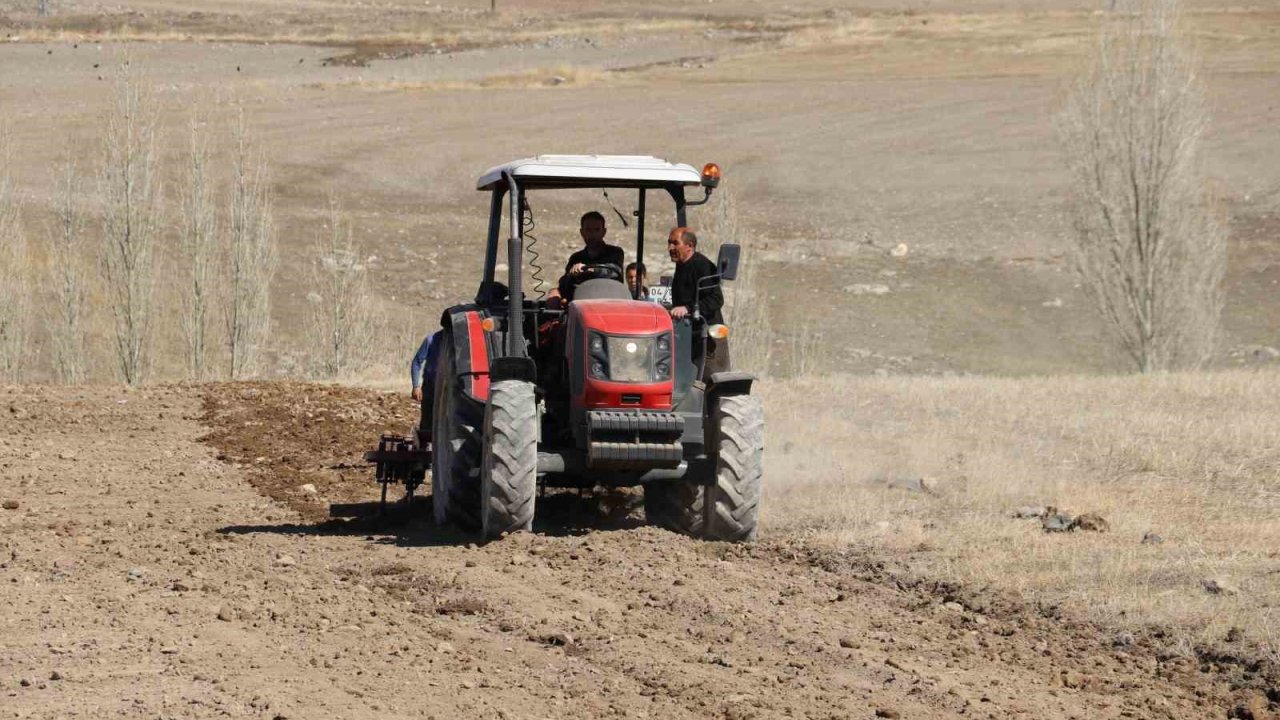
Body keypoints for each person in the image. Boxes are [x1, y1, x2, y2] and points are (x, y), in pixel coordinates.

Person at [667, 227, 728, 375]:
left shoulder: (702, 266)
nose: (670, 248)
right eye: (669, 243)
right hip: (688, 337)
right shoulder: (681, 266)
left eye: (675, 243)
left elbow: (716, 299)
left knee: (707, 383)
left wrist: (687, 309)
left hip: (708, 339)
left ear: (690, 246)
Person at [557, 211, 624, 302]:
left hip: (609, 301)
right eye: (588, 230)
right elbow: (564, 283)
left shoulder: (615, 253)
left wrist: (591, 269)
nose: (592, 235)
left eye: (596, 230)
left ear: (603, 232)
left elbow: (614, 271)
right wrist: (573, 275)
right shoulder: (576, 258)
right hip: (583, 301)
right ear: (582, 232)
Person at [410, 330, 443, 443]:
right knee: (427, 422)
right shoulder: (431, 340)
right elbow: (416, 362)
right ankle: (425, 452)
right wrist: (416, 386)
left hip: (450, 389)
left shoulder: (460, 341)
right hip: (430, 386)